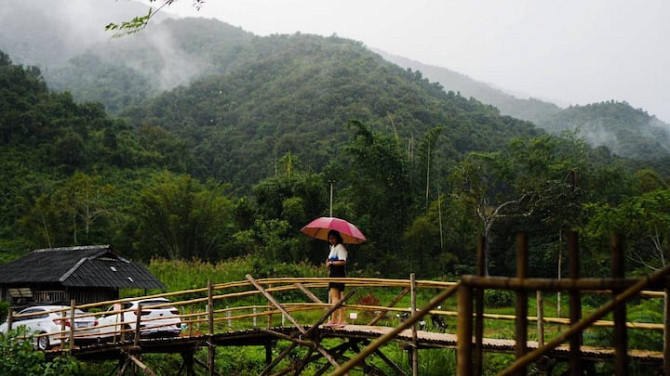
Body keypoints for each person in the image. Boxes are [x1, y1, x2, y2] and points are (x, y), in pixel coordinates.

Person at [325, 229, 347, 327]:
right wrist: (328, 262)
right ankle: (335, 319)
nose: (331, 240)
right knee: (335, 297)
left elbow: (342, 261)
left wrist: (332, 263)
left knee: (336, 297)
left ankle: (339, 319)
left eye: (333, 238)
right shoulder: (333, 248)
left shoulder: (340, 247)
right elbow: (330, 260)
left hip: (338, 273)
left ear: (337, 238)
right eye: (330, 239)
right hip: (333, 273)